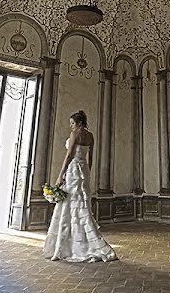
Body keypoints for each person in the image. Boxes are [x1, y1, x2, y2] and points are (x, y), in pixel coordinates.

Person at [42, 110, 118, 262]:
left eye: (72, 123)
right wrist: (87, 170)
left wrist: (60, 175)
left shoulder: (75, 135)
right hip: (83, 170)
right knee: (81, 203)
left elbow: (69, 155)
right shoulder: (90, 136)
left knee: (70, 204)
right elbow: (91, 156)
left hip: (73, 169)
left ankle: (68, 245)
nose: (71, 126)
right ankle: (82, 241)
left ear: (80, 123)